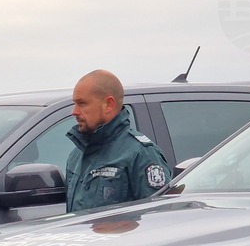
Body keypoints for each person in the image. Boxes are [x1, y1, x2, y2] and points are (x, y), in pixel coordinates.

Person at [65, 69, 171, 213]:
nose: (74, 111)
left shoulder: (141, 154)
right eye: (75, 103)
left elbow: (157, 218)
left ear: (108, 104)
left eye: (82, 103)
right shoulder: (76, 156)